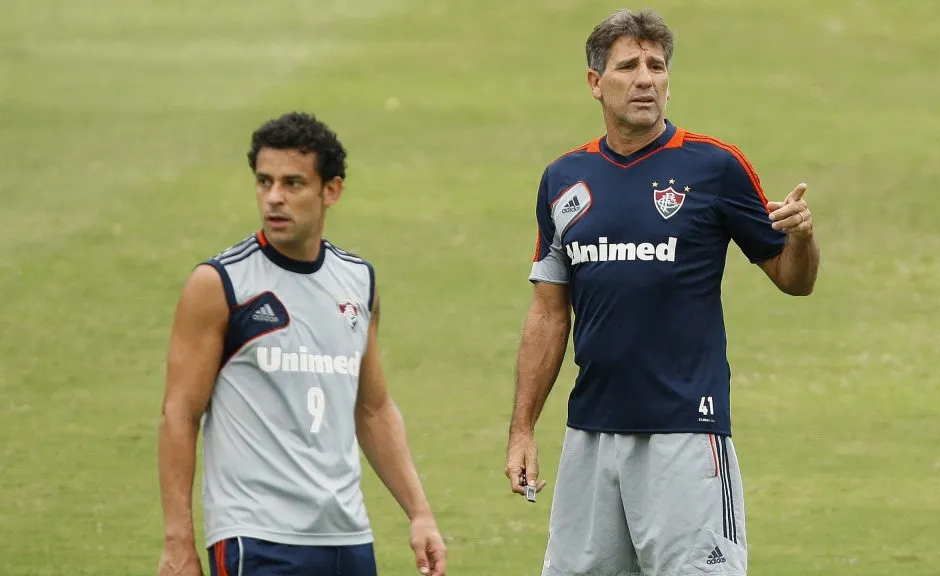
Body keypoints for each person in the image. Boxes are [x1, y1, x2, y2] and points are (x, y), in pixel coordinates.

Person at [504, 8, 819, 576]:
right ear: (596, 84)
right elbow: (549, 315)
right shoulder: (563, 181)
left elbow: (793, 280)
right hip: (591, 436)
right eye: (629, 66)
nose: (646, 78)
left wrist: (801, 238)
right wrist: (523, 428)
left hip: (686, 435)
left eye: (657, 66)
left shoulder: (714, 167)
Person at [157, 112, 446, 576]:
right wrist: (178, 543)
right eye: (264, 181)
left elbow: (372, 409)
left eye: (293, 183)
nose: (274, 198)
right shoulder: (220, 284)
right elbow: (180, 413)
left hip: (347, 537)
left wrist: (420, 513)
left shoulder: (357, 281)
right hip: (256, 536)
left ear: (330, 190)